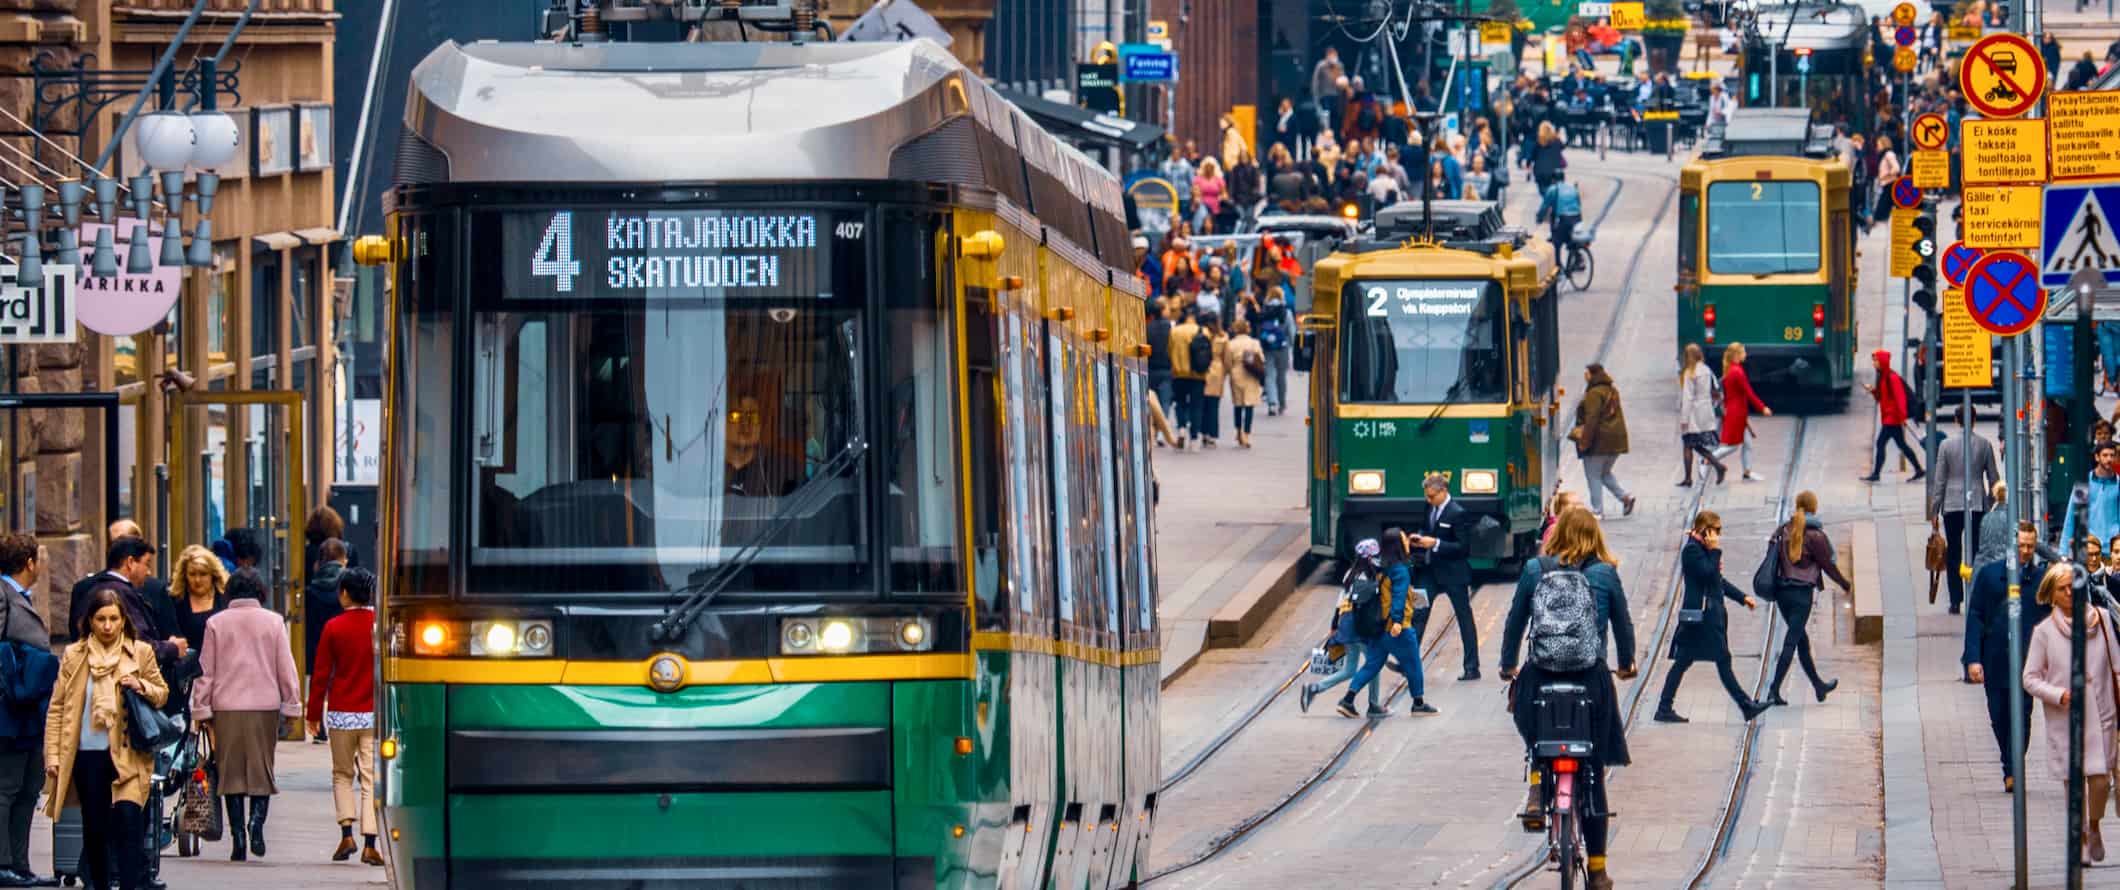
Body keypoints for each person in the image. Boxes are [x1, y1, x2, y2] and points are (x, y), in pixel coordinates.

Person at [1498, 508, 1637, 890]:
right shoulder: (1605, 574)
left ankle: (1539, 777)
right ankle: (1597, 869)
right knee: (1592, 770)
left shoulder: (1534, 570)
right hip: (1591, 681)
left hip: (1540, 679)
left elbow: (1514, 623)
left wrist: (1508, 664)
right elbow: (1623, 627)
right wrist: (1626, 663)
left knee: (1529, 723)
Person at [42, 589, 168, 890]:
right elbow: (58, 707)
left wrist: (140, 685)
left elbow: (162, 693)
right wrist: (54, 757)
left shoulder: (140, 652)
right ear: (90, 621)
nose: (108, 626)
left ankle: (128, 885)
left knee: (128, 824)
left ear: (124, 620)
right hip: (88, 755)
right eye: (101, 619)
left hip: (129, 756)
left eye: (114, 618)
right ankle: (97, 885)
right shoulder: (74, 655)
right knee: (95, 831)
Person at [192, 568, 302, 861]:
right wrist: (291, 704)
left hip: (225, 708)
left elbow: (206, 671)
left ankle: (238, 837)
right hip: (264, 706)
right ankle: (257, 824)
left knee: (231, 775)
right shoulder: (274, 622)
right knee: (262, 769)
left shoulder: (216, 623)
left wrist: (201, 709)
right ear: (260, 592)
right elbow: (286, 668)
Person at [2021, 562, 2120, 863]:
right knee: (2074, 784)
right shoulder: (2044, 633)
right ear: (2052, 594)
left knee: (2101, 781)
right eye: (2063, 589)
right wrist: (2058, 695)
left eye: (2074, 587)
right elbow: (2030, 678)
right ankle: (2078, 840)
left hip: (2102, 713)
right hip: (2068, 719)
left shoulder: (2100, 619)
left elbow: (2117, 663)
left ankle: (2093, 826)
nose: (2070, 593)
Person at [1657, 512, 1771, 723]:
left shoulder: (1701, 550)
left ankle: (1664, 707)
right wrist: (1715, 550)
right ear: (1704, 530)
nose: (1718, 535)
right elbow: (1708, 574)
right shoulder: (1692, 550)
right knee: (1721, 659)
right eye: (1715, 530)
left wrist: (1742, 597)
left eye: (1719, 531)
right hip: (1703, 617)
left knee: (1684, 661)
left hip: (1706, 615)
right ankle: (1746, 705)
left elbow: (1717, 581)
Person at [305, 568, 384, 866]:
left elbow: (322, 675)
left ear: (345, 594)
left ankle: (346, 833)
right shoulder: (380, 625)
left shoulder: (334, 627)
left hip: (341, 713)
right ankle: (371, 843)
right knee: (370, 777)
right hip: (373, 714)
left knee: (341, 774)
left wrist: (313, 715)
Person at [1966, 522, 2053, 790]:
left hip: (2028, 662)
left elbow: (2051, 620)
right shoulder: (1990, 577)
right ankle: (2009, 761)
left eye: (2030, 545)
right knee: (1998, 714)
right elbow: (1976, 617)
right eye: (2022, 545)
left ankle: (2013, 768)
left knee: (2023, 714)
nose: (2026, 551)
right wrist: (1973, 659)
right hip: (1995, 659)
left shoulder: (2040, 580)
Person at [1334, 530, 1439, 717]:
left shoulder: (1379, 566)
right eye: (1404, 538)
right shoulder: (1399, 570)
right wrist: (1398, 621)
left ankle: (1347, 700)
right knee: (1413, 663)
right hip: (1397, 628)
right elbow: (1398, 597)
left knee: (1372, 664)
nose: (1407, 540)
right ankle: (1418, 703)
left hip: (1378, 626)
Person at [0, 535, 53, 888]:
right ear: (30, 562)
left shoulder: (21, 596)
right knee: (7, 787)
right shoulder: (3, 595)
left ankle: (20, 864)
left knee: (29, 787)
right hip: (8, 709)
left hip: (29, 708)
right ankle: (4, 864)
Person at [1765, 491, 1850, 706]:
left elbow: (1770, 555)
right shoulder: (1815, 535)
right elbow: (1827, 565)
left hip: (1782, 593)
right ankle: (1774, 689)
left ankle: (1818, 686)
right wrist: (1844, 583)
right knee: (1792, 641)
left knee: (1801, 641)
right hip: (1802, 595)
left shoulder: (1783, 529)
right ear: (1814, 507)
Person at [1927, 406, 2001, 614]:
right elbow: (1994, 479)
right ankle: (1977, 593)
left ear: (1955, 420)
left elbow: (1940, 481)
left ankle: (1955, 600)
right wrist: (1988, 502)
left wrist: (1934, 511)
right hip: (1977, 503)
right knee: (1978, 551)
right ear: (1975, 419)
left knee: (1953, 553)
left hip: (1951, 504)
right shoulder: (1984, 445)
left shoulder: (1946, 445)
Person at [1409, 474, 1481, 681]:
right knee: (1418, 613)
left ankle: (1471, 667)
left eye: (1432, 496)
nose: (1428, 500)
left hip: (1453, 574)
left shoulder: (1458, 513)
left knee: (1463, 617)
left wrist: (1437, 544)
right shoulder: (1430, 507)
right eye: (1427, 497)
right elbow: (1426, 527)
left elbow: (1463, 547)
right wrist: (1419, 537)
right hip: (1430, 571)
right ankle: (1409, 661)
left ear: (1443, 492)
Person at [1301, 540, 1385, 715]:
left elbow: (1340, 602)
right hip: (1357, 625)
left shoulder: (1350, 574)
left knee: (1349, 669)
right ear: (1370, 558)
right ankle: (1373, 704)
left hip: (1345, 624)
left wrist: (1334, 625)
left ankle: (1314, 688)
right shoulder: (1368, 577)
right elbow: (1365, 605)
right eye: (1376, 556)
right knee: (1373, 664)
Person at [70, 538, 182, 667]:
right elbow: (136, 644)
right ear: (130, 562)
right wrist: (172, 648)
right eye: (147, 564)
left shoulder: (94, 588)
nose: (148, 572)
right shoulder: (120, 593)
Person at [1571, 363, 1636, 518]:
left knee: (1593, 475)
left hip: (1599, 442)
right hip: (1615, 442)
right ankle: (1625, 498)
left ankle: (1597, 510)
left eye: (1586, 373)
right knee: (1604, 473)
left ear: (1593, 375)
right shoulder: (1612, 390)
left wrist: (1584, 442)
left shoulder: (1594, 393)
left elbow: (1591, 419)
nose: (1584, 376)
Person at [1860, 350, 1925, 482]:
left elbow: (1900, 399)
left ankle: (1876, 474)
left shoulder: (1892, 378)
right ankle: (1918, 469)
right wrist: (1872, 390)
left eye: (1876, 361)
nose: (1874, 363)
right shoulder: (1883, 377)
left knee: (1881, 443)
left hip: (1893, 419)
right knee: (1902, 445)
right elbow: (1881, 397)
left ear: (1882, 362)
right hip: (1890, 418)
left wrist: (1902, 417)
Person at [1714, 343, 1772, 481]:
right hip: (1737, 412)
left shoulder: (1732, 369)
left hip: (1737, 411)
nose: (1745, 354)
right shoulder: (1737, 372)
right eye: (1743, 352)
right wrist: (1762, 407)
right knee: (1733, 446)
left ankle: (1747, 471)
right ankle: (1708, 459)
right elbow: (1749, 392)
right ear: (1736, 355)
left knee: (1747, 443)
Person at [1678, 344, 1729, 487]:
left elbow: (1687, 397)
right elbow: (1716, 389)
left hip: (1694, 413)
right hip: (1706, 411)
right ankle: (1690, 477)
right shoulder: (1707, 370)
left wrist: (1684, 418)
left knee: (1689, 444)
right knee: (1693, 444)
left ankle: (1716, 467)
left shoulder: (1690, 372)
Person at [169, 545, 228, 657]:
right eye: (192, 574)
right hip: (188, 669)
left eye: (203, 574)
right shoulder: (175, 600)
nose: (197, 580)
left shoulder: (225, 599)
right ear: (184, 575)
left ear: (213, 575)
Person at [2062, 440, 2120, 549]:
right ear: (2097, 457)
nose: (2109, 459)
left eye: (2112, 455)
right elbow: (2071, 515)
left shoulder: (2118, 483)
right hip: (2089, 546)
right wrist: (2064, 551)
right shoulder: (2084, 483)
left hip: (2112, 550)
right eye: (2105, 455)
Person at [1224, 320, 1265, 449]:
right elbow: (1261, 359)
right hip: (1251, 376)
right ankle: (1246, 434)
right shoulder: (1254, 343)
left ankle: (1238, 431)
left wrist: (1231, 371)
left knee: (1238, 405)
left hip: (1236, 375)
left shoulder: (1230, 344)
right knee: (1249, 406)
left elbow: (1227, 363)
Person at [1254, 284, 1294, 417]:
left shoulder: (1265, 311)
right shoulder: (1286, 312)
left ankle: (1272, 403)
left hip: (1267, 347)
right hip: (1282, 348)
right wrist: (1292, 347)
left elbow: (1259, 328)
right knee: (1281, 376)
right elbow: (1292, 332)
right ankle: (1282, 404)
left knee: (1269, 375)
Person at [1169, 309, 1207, 447]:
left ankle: (1181, 428)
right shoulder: (1203, 331)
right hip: (1198, 374)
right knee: (1197, 404)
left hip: (1179, 373)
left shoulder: (1175, 331)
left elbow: (1170, 350)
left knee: (1180, 402)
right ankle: (1195, 435)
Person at [1196, 318, 1228, 447]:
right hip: (1217, 370)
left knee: (1202, 404)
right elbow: (1227, 358)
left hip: (1203, 369)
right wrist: (1226, 372)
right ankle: (1212, 435)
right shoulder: (1223, 338)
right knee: (1214, 405)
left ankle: (1203, 432)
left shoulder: (1201, 336)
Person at [1537, 172, 1582, 251]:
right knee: (1571, 238)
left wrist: (1539, 218)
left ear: (1553, 179)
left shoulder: (1552, 189)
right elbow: (1578, 203)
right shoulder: (1572, 188)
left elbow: (1545, 206)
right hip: (1577, 218)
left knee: (1556, 241)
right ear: (1564, 178)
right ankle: (1577, 255)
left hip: (1564, 219)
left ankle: (1558, 261)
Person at [1531, 121, 1566, 193]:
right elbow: (1563, 146)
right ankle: (1550, 202)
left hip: (1540, 172)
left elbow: (1533, 156)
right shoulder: (1556, 140)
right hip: (1555, 172)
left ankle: (1547, 202)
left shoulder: (1538, 141)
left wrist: (1528, 163)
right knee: (1554, 193)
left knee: (1544, 193)